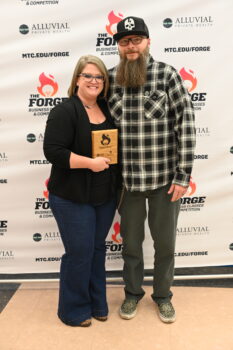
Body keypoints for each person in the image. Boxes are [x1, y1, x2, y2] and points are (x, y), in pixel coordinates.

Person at [108, 16, 196, 323]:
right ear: (118, 47)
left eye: (136, 40)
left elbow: (186, 125)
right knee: (130, 245)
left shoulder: (167, 74)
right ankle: (132, 294)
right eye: (124, 42)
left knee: (166, 245)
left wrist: (183, 176)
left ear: (148, 42)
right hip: (126, 184)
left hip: (165, 182)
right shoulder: (109, 79)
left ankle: (163, 296)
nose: (130, 46)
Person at [43, 55, 118, 327]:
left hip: (103, 197)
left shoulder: (107, 109)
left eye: (99, 77)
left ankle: (98, 303)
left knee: (97, 249)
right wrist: (90, 164)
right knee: (79, 252)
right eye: (88, 76)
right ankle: (73, 310)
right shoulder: (65, 110)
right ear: (77, 79)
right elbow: (53, 151)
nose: (94, 81)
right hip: (71, 197)